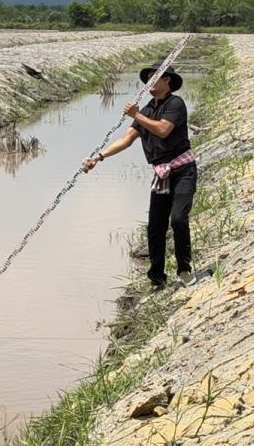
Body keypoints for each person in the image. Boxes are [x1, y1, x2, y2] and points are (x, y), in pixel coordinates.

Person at [84, 64, 197, 290]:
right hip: (161, 174)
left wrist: (135, 114)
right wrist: (99, 157)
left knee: (177, 219)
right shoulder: (146, 110)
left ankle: (185, 270)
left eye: (155, 77)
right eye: (148, 78)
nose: (149, 82)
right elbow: (126, 140)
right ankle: (157, 279)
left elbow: (163, 130)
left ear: (167, 81)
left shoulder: (175, 104)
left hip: (183, 171)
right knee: (155, 227)